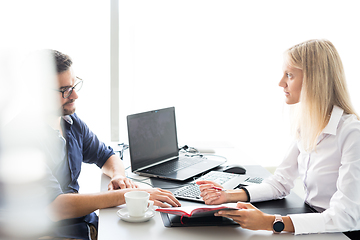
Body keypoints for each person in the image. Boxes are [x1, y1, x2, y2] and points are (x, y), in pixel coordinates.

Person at [197, 39, 360, 236]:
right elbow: (281, 183)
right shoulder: (308, 125)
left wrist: (270, 222)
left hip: (341, 232)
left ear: (315, 80)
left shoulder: (352, 134)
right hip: (314, 224)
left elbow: (345, 217)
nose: (281, 82)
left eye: (289, 75)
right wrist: (227, 195)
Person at [42, 50, 181, 239]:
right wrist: (130, 194)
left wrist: (118, 176)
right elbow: (57, 207)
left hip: (84, 225)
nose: (75, 95)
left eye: (74, 85)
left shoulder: (70, 121)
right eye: (65, 90)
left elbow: (106, 155)